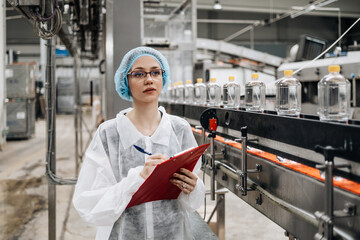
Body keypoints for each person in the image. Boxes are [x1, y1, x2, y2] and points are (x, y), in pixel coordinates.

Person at [73, 47, 205, 240]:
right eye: (139, 74)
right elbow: (89, 203)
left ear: (163, 77)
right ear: (125, 81)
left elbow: (190, 203)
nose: (149, 79)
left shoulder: (179, 129)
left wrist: (193, 187)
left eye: (155, 72)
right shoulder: (109, 134)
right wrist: (137, 179)